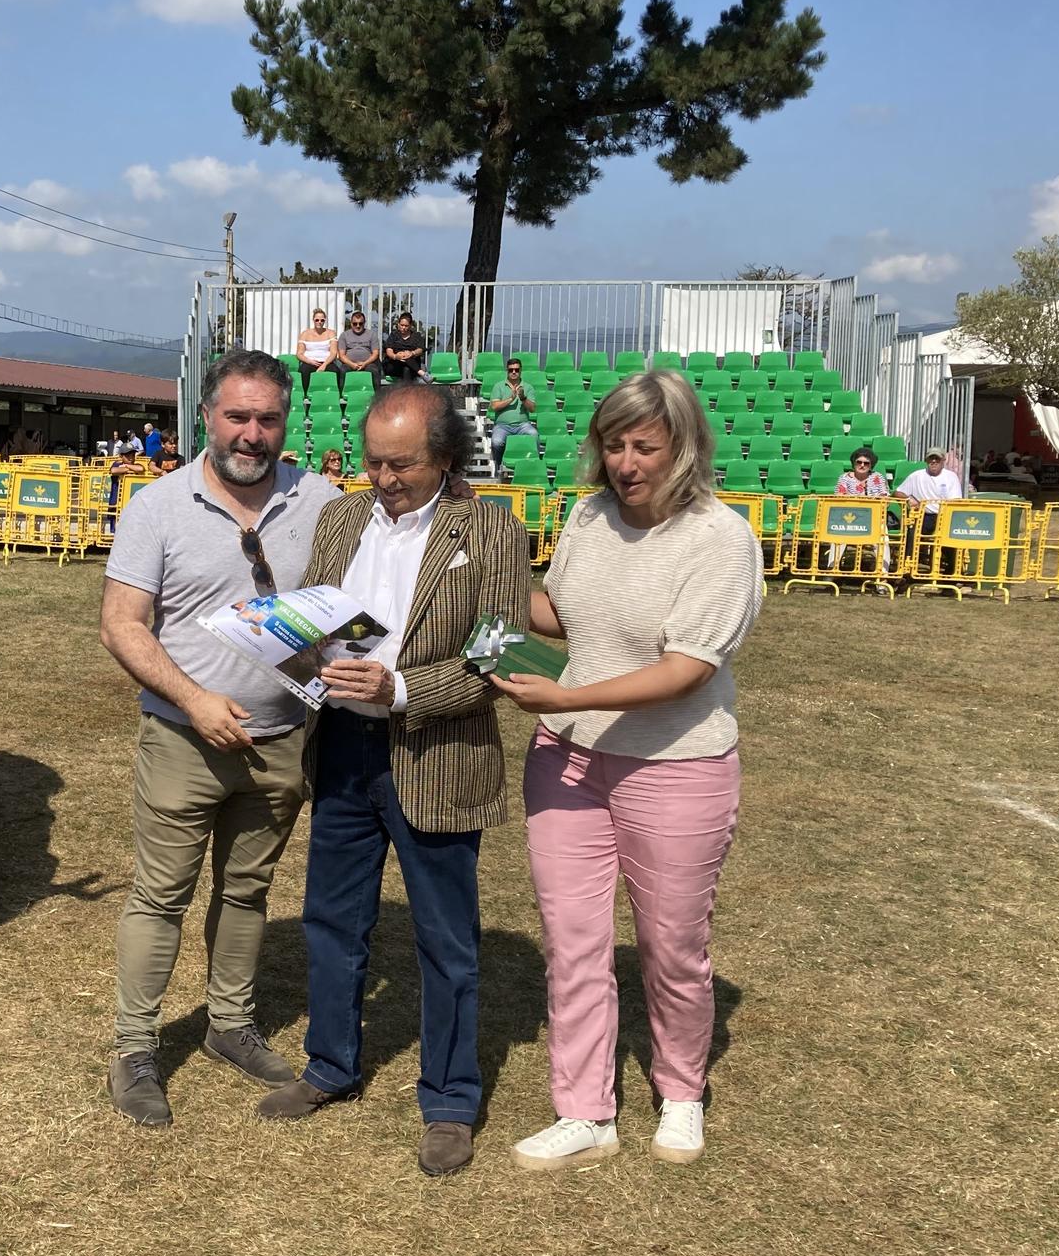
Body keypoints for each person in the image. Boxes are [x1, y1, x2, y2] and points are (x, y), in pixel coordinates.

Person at [253, 382, 530, 1178]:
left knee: (447, 943)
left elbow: (496, 659)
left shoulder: (494, 530)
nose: (384, 476)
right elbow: (334, 629)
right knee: (331, 921)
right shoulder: (340, 519)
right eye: (374, 461)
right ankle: (330, 1066)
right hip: (342, 750)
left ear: (445, 456)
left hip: (437, 757)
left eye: (402, 463)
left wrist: (400, 688)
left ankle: (449, 1099)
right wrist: (287, 642)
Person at [490, 370, 762, 1172]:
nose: (626, 462)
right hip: (566, 760)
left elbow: (687, 670)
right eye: (614, 444)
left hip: (675, 768)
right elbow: (562, 614)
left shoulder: (721, 539)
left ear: (685, 447)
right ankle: (584, 1111)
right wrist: (478, 598)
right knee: (571, 943)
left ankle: (681, 1093)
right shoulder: (588, 515)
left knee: (671, 943)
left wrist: (566, 692)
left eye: (646, 445)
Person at [98, 349, 341, 1126]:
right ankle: (135, 1048)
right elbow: (120, 624)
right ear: (206, 416)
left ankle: (229, 1026)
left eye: (268, 418)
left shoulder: (323, 501)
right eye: (238, 416)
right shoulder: (158, 507)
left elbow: (350, 615)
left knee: (248, 890)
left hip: (282, 741)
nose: (252, 433)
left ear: (285, 422)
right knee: (160, 895)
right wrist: (194, 698)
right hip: (183, 739)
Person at [898, 449, 965, 576]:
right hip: (923, 515)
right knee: (911, 533)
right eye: (931, 458)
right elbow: (898, 491)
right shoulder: (916, 475)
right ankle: (907, 571)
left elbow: (956, 500)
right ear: (926, 460)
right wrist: (908, 499)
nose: (934, 461)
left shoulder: (951, 477)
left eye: (937, 459)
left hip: (944, 515)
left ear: (943, 461)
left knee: (951, 537)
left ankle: (952, 574)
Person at [488, 358, 539, 459]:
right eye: (511, 370)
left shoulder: (528, 387)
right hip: (502, 426)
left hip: (522, 425)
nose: (514, 372)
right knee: (496, 442)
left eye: (516, 369)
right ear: (507, 371)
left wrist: (523, 398)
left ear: (521, 370)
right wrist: (511, 399)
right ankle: (499, 466)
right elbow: (494, 406)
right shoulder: (499, 386)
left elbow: (532, 409)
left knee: (534, 435)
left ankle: (534, 463)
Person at [332, 310, 379, 381]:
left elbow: (375, 354)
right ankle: (342, 392)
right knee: (343, 370)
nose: (358, 326)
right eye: (355, 324)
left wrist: (365, 363)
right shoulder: (344, 335)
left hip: (368, 364)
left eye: (360, 323)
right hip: (349, 364)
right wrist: (352, 364)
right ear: (351, 324)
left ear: (364, 323)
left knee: (374, 371)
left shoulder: (372, 334)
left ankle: (377, 392)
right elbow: (341, 355)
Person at [381, 312, 427, 382]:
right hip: (394, 365)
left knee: (406, 367)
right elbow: (389, 350)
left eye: (406, 326)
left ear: (410, 325)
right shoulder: (393, 335)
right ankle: (422, 373)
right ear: (398, 324)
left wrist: (412, 353)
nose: (403, 328)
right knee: (404, 359)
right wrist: (395, 356)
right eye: (402, 325)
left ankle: (406, 392)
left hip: (411, 367)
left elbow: (420, 349)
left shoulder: (416, 336)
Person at [296, 308, 338, 374]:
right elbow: (299, 354)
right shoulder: (305, 334)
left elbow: (333, 353)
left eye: (322, 320)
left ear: (325, 321)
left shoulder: (331, 333)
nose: (319, 322)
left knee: (335, 371)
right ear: (313, 320)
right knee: (304, 370)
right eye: (317, 320)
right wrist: (310, 361)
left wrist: (324, 365)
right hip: (309, 362)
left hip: (327, 362)